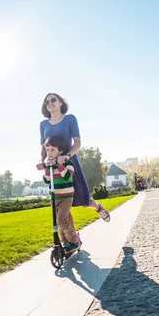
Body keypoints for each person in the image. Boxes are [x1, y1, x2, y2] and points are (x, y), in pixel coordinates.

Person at [38, 93, 111, 221]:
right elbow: (43, 148)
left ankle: (98, 208)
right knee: (61, 203)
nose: (49, 103)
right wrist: (40, 160)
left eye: (53, 100)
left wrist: (67, 156)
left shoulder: (70, 119)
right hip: (53, 165)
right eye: (46, 102)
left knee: (82, 198)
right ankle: (72, 237)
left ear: (61, 102)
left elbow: (77, 142)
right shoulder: (43, 124)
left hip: (68, 161)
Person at [41, 136, 81, 253]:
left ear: (61, 151)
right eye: (47, 150)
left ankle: (74, 241)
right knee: (58, 222)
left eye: (53, 150)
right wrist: (46, 168)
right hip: (54, 197)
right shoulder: (49, 164)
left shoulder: (67, 161)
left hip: (66, 196)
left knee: (61, 220)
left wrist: (59, 165)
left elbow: (68, 176)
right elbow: (47, 180)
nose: (49, 153)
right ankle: (65, 243)